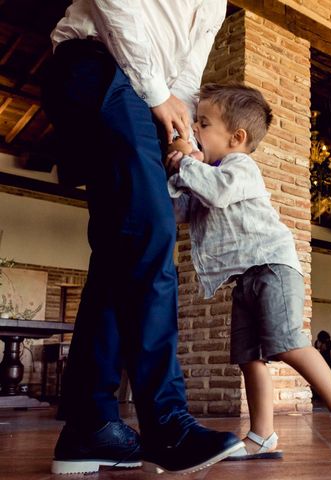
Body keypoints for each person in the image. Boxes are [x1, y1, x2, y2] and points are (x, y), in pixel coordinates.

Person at [40, 1, 244, 476]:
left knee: (120, 254)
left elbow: (187, 75)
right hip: (94, 66)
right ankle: (166, 423)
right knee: (152, 238)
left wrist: (179, 133)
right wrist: (157, 96)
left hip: (136, 91)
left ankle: (89, 428)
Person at [165, 83, 331, 462]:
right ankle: (262, 435)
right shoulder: (204, 174)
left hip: (273, 266)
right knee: (248, 356)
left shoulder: (238, 167)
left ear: (236, 137)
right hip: (245, 276)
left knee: (286, 342)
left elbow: (219, 192)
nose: (194, 131)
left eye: (203, 124)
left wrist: (188, 161)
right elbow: (179, 213)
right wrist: (179, 172)